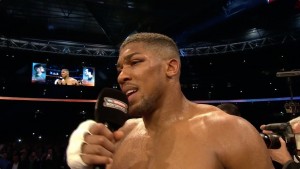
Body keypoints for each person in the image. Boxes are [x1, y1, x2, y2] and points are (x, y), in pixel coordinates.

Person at [66, 32, 274, 169]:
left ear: (171, 68)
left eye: (135, 62)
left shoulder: (229, 131)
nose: (122, 76)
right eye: (120, 68)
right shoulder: (119, 136)